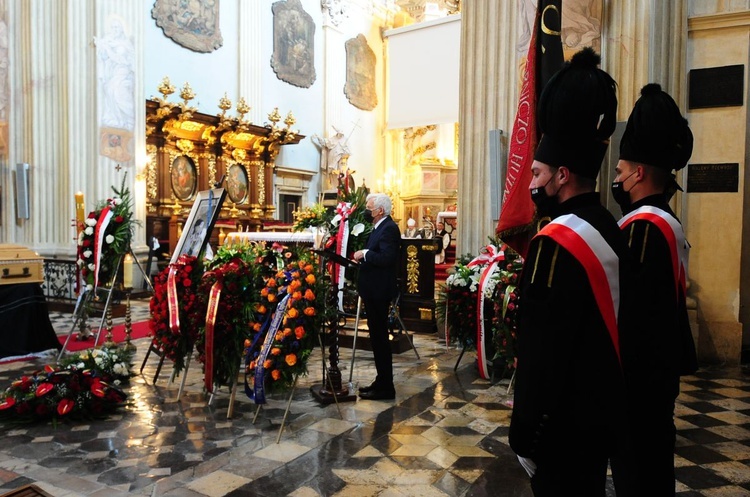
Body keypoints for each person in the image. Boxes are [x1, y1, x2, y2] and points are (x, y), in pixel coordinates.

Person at [508, 48, 635, 496]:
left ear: (562, 175)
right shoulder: (613, 228)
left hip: (561, 429)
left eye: (537, 172)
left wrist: (524, 432)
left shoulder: (554, 244)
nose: (531, 183)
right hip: (601, 415)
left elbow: (543, 355)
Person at [612, 83, 698, 495]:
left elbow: (635, 319)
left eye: (619, 170)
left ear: (638, 173)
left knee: (640, 475)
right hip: (657, 378)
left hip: (640, 384)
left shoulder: (643, 229)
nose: (617, 177)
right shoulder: (663, 219)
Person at [352, 193, 401, 401]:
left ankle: (386, 387)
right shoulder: (379, 227)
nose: (367, 210)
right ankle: (381, 381)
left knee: (380, 339)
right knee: (377, 339)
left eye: (369, 207)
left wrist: (365, 254)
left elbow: (387, 258)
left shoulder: (389, 228)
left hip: (379, 291)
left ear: (380, 210)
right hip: (373, 289)